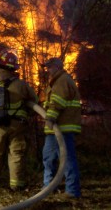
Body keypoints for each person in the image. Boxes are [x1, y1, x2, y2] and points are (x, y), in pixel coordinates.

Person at [0, 51, 38, 191]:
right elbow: (34, 101)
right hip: (16, 125)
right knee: (16, 153)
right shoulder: (21, 85)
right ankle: (16, 185)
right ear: (13, 69)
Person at [40, 56, 81, 198]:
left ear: (57, 67)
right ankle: (48, 187)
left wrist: (50, 118)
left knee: (67, 160)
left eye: (50, 67)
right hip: (54, 129)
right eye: (47, 67)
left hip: (63, 128)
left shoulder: (62, 80)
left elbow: (58, 102)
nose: (47, 70)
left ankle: (72, 191)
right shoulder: (55, 81)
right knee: (48, 158)